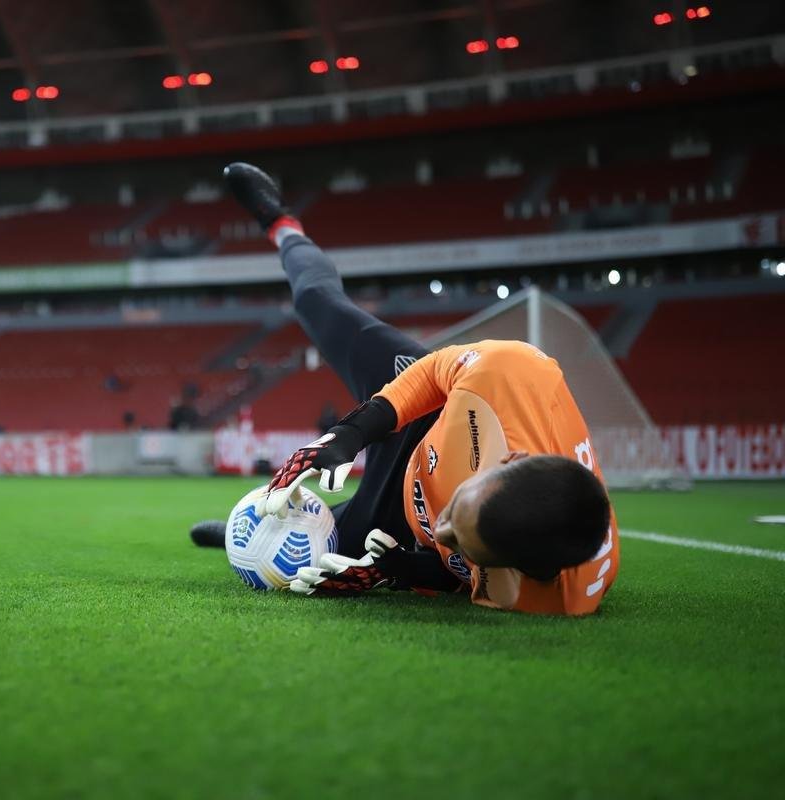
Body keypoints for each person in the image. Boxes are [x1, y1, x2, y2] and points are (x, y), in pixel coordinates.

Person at [190, 164, 619, 616]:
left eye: (463, 547)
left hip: (394, 523)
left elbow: (460, 574)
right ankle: (280, 222)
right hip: (430, 412)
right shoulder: (507, 374)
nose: (443, 531)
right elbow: (434, 373)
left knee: (310, 562)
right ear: (508, 461)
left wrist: (403, 569)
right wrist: (353, 432)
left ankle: (256, 535)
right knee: (319, 303)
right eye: (456, 514)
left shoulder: (546, 592)